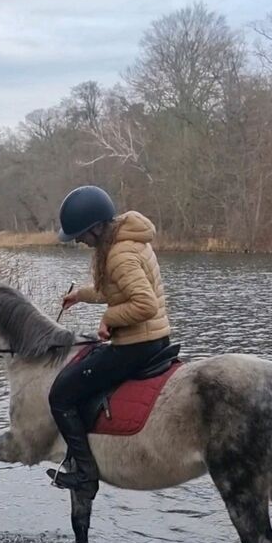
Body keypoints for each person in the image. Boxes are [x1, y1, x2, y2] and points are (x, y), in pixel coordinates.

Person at [48, 185, 171, 499]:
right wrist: (80, 295)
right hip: (154, 338)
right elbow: (115, 290)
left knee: (60, 394)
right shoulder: (128, 241)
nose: (79, 241)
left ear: (95, 227)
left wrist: (109, 318)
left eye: (80, 235)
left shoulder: (119, 255)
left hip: (137, 345)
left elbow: (145, 304)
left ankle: (85, 475)